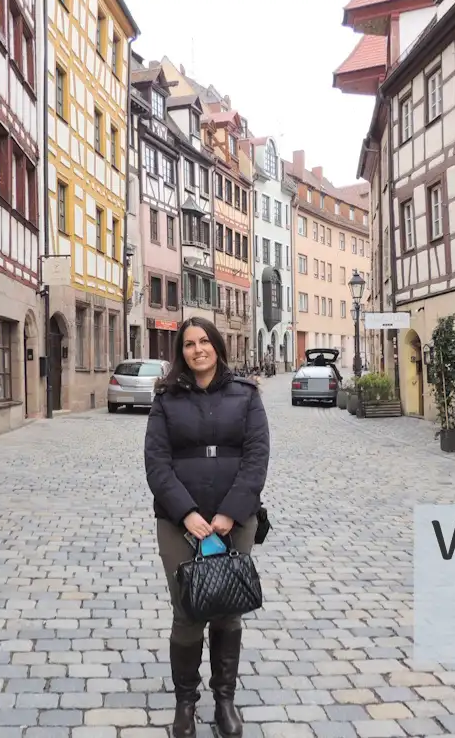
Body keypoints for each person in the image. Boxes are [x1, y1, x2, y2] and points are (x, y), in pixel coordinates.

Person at [143, 316, 270, 738]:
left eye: (204, 342)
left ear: (217, 346)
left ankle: (224, 700)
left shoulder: (246, 395)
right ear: (180, 353)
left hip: (235, 521)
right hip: (180, 523)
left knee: (228, 611)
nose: (197, 350)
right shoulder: (166, 400)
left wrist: (231, 513)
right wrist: (187, 514)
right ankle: (185, 703)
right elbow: (157, 464)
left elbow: (256, 458)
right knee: (187, 612)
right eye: (189, 344)